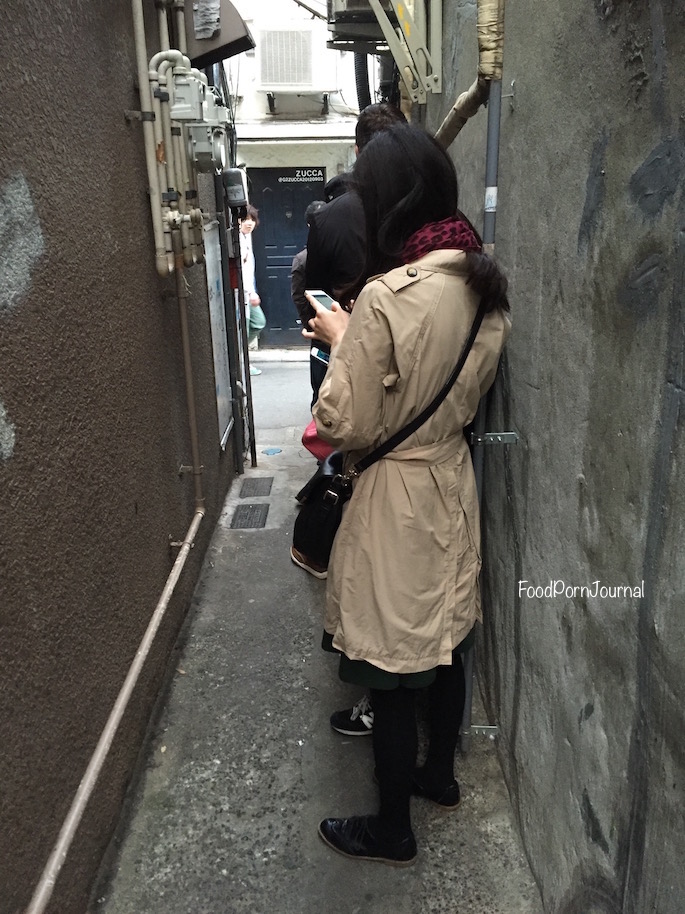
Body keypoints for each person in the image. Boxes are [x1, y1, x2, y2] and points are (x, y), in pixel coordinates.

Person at [302, 123, 511, 866]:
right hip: (448, 479)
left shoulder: (391, 295)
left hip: (394, 495)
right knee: (446, 642)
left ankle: (390, 829)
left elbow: (343, 423)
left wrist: (337, 337)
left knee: (389, 671)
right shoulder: (483, 278)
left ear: (388, 202)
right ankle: (438, 775)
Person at [293, 102, 408, 738]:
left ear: (360, 151)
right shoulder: (421, 228)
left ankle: (369, 688)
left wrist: (335, 331)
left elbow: (311, 289)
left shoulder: (333, 217)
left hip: (346, 362)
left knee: (341, 470)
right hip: (413, 406)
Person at [290, 200, 327, 406]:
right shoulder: (344, 249)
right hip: (341, 327)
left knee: (321, 385)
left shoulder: (302, 259)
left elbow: (298, 295)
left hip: (320, 330)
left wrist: (311, 324)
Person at [239, 204, 266, 376]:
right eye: (245, 220)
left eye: (252, 220)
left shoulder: (246, 238)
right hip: (243, 294)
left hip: (249, 292)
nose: (249, 223)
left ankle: (242, 356)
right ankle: (241, 359)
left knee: (257, 323)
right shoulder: (239, 241)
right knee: (251, 324)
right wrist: (250, 292)